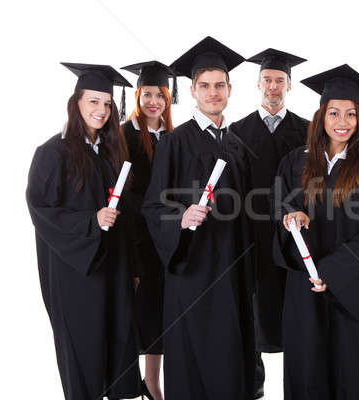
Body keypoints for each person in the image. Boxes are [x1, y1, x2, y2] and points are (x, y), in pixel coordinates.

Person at [271, 64, 359, 400]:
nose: (343, 122)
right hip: (305, 287)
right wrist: (289, 215)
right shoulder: (295, 162)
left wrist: (333, 271)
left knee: (351, 372)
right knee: (308, 371)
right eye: (335, 113)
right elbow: (277, 206)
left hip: (353, 291)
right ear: (321, 115)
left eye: (351, 114)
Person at [141, 36, 255, 400]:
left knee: (231, 357)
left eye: (219, 85)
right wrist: (181, 216)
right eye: (204, 86)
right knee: (194, 361)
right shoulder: (175, 143)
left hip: (233, 269)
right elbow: (154, 206)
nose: (212, 93)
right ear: (192, 91)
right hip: (193, 270)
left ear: (230, 89)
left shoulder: (239, 145)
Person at [26, 63, 141, 399]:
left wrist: (132, 267)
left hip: (114, 267)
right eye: (93, 102)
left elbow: (127, 217)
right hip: (76, 272)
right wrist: (92, 221)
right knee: (84, 349)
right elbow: (41, 211)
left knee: (119, 343)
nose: (102, 110)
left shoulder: (110, 152)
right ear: (75, 103)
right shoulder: (53, 152)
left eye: (107, 104)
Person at [229, 48, 309, 399]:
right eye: (268, 80)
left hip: (296, 237)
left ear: (289, 85)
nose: (273, 86)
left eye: (280, 80)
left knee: (297, 312)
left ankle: (299, 385)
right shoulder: (236, 131)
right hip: (253, 237)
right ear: (257, 83)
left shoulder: (308, 131)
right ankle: (254, 388)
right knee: (253, 311)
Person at [120, 60, 176, 400]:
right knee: (136, 309)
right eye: (147, 94)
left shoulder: (173, 136)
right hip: (136, 236)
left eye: (161, 95)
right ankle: (130, 382)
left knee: (161, 311)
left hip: (166, 238)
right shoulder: (123, 136)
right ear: (137, 95)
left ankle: (152, 381)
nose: (154, 101)